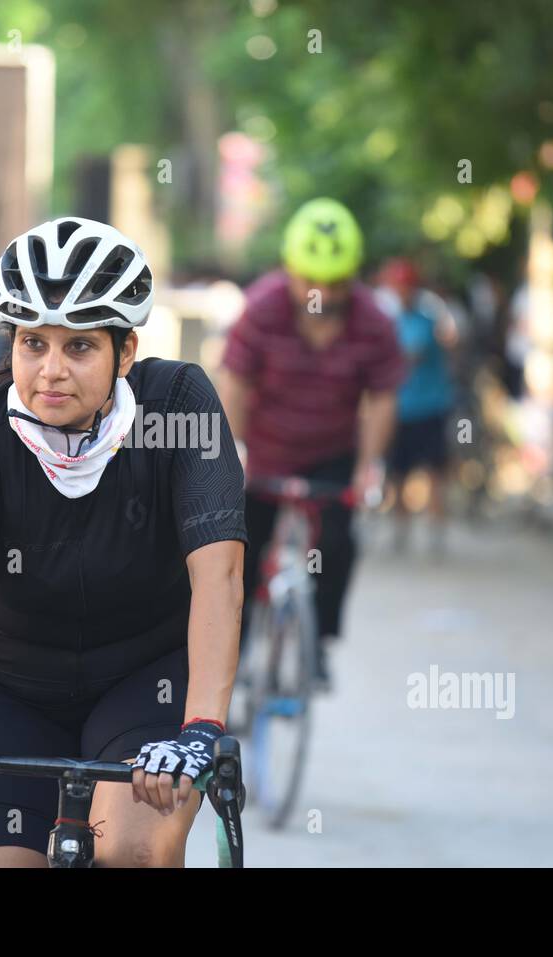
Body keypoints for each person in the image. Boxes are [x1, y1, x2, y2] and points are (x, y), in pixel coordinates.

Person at [0, 217, 246, 868]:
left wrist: (200, 728)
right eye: (32, 343)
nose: (51, 370)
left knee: (135, 849)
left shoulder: (179, 408)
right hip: (5, 688)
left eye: (79, 347)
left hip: (143, 682)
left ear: (125, 352)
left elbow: (217, 576)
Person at [217, 198, 404, 688]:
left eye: (335, 282)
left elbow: (382, 398)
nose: (321, 292)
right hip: (262, 453)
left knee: (339, 543)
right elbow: (233, 381)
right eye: (310, 280)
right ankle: (226, 662)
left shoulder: (373, 321)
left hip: (331, 454)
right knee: (239, 552)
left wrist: (370, 468)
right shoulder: (261, 308)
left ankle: (317, 641)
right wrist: (230, 451)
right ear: (288, 269)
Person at [378, 257, 458, 556]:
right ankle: (401, 534)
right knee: (398, 476)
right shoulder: (392, 322)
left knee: (434, 474)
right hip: (401, 409)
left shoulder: (426, 320)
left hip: (429, 408)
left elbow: (411, 354)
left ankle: (436, 537)